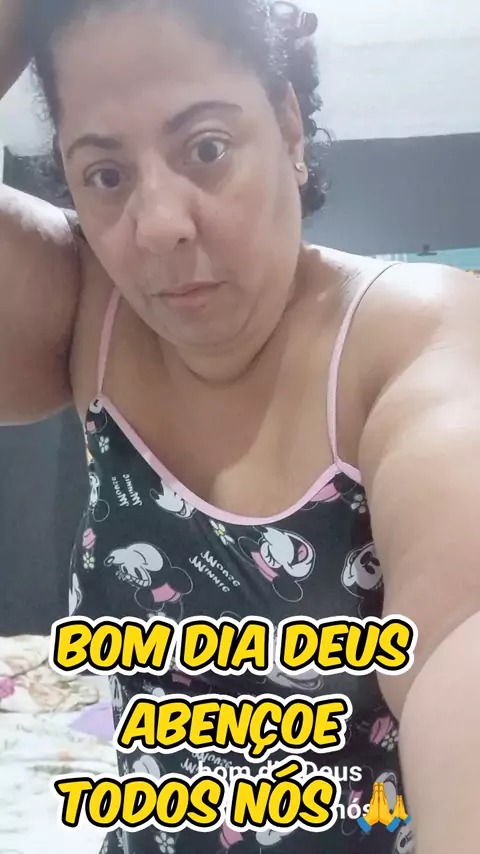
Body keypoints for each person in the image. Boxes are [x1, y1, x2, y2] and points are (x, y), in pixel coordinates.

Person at [1, 1, 479, 851]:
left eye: (207, 148)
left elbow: (460, 640)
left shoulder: (417, 341)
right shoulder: (90, 311)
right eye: (105, 174)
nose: (159, 225)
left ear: (288, 128)